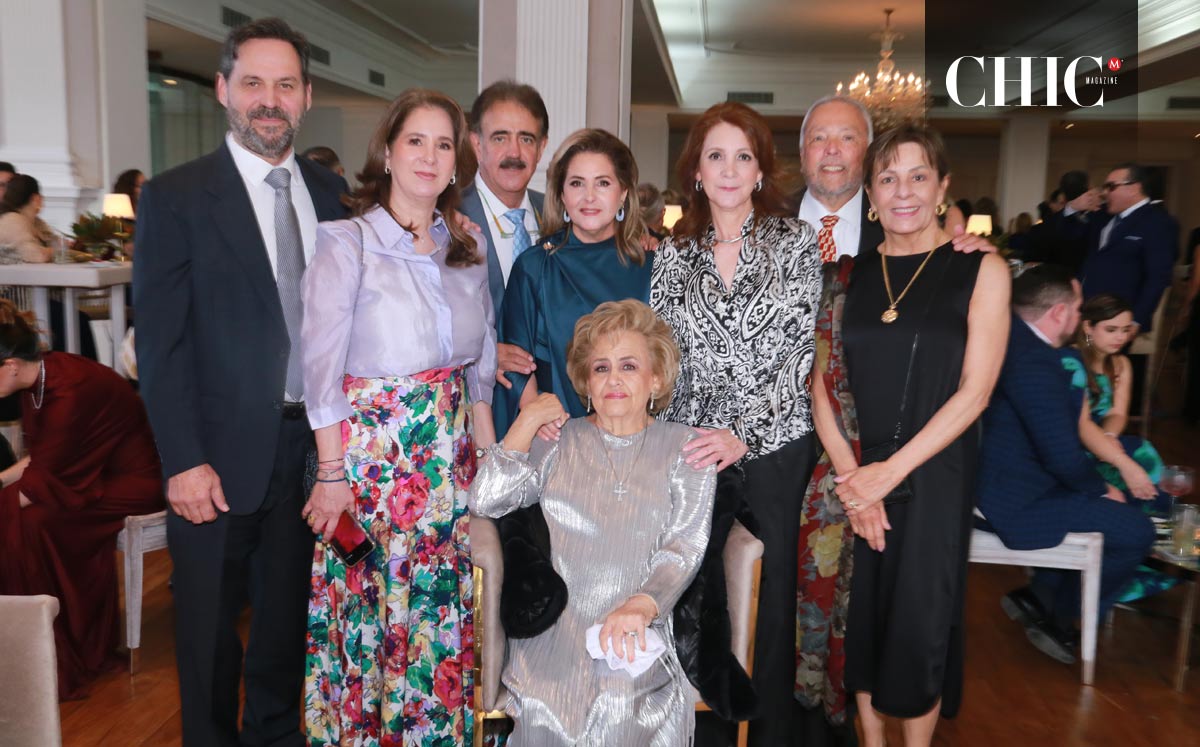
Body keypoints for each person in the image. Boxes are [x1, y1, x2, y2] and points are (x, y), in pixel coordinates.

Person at [133, 18, 348, 745]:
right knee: (207, 643)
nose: (269, 99)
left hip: (305, 460)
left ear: (307, 96)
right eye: (253, 82)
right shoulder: (174, 199)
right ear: (224, 88)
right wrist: (182, 460)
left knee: (285, 638)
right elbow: (162, 349)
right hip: (214, 464)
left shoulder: (332, 196)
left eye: (285, 85)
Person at [300, 87, 495, 745]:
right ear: (387, 151)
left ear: (455, 164)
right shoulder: (345, 243)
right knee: (371, 622)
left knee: (436, 621)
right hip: (371, 473)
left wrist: (489, 466)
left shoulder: (466, 244)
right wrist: (331, 475)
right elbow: (320, 375)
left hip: (448, 473)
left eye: (444, 144)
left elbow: (482, 367)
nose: (429, 155)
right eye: (416, 139)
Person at [808, 126, 1009, 746]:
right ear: (870, 193)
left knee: (920, 621)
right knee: (861, 618)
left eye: (919, 176)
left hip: (934, 474)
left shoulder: (980, 269)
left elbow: (975, 393)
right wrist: (852, 479)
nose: (903, 192)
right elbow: (819, 385)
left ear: (943, 186)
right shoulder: (845, 276)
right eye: (888, 178)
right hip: (857, 477)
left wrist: (888, 475)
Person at [651, 100, 822, 746]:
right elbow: (667, 363)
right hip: (693, 444)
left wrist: (743, 432)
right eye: (715, 155)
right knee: (692, 585)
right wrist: (674, 443)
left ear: (761, 170)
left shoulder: (796, 242)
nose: (728, 169)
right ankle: (703, 731)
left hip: (775, 442)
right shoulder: (673, 254)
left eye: (742, 156)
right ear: (696, 168)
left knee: (772, 597)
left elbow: (799, 353)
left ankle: (770, 732)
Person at [470, 298, 716, 746]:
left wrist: (642, 605)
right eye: (600, 369)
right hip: (559, 630)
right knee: (550, 709)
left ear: (655, 378)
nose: (614, 380)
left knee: (624, 701)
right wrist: (525, 423)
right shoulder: (559, 441)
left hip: (639, 622)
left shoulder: (688, 449)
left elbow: (685, 546)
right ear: (585, 381)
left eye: (628, 366)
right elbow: (485, 499)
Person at [977, 265, 1156, 664]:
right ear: (1058, 313)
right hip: (1012, 499)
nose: (1079, 318)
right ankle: (1059, 618)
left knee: (1116, 506)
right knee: (1137, 530)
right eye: (1077, 308)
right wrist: (1101, 489)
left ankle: (1039, 596)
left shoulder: (1011, 340)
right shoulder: (1036, 362)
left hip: (1012, 479)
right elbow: (1060, 452)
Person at [0, 300, 164, 699]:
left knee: (30, 523)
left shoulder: (69, 391)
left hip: (133, 482)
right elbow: (40, 463)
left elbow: (43, 479)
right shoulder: (39, 378)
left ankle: (61, 645)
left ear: (10, 367)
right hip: (91, 473)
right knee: (27, 519)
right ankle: (48, 640)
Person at [493, 128, 648, 437]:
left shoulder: (652, 267)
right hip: (557, 435)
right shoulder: (534, 266)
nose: (589, 197)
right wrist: (538, 413)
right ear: (562, 194)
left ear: (624, 194)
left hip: (636, 436)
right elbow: (516, 361)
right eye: (577, 183)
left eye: (603, 183)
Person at [1065, 294, 1173, 604]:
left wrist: (1110, 434)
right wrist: (1105, 443)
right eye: (1111, 329)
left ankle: (1149, 556)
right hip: (1075, 446)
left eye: (1126, 330)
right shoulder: (1071, 360)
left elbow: (1119, 411)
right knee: (1141, 456)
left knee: (1144, 452)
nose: (1121, 338)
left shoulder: (1121, 363)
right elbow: (1076, 423)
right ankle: (1127, 560)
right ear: (1089, 326)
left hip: (1106, 441)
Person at [460, 80, 548, 324]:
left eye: (527, 139)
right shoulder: (446, 218)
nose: (514, 153)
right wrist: (488, 352)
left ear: (541, 148)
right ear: (477, 145)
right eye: (500, 138)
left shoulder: (560, 215)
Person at [1079, 163, 1176, 334]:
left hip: (1119, 319)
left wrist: (1137, 319)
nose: (1104, 192)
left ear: (1134, 188)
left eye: (1111, 187)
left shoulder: (1157, 222)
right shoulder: (1103, 217)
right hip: (1090, 312)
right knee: (1086, 357)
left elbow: (1157, 277)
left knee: (1108, 360)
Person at [0, 174, 57, 263]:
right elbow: (38, 256)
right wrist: (61, 250)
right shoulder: (12, 220)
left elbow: (53, 242)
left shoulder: (37, 222)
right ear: (36, 199)